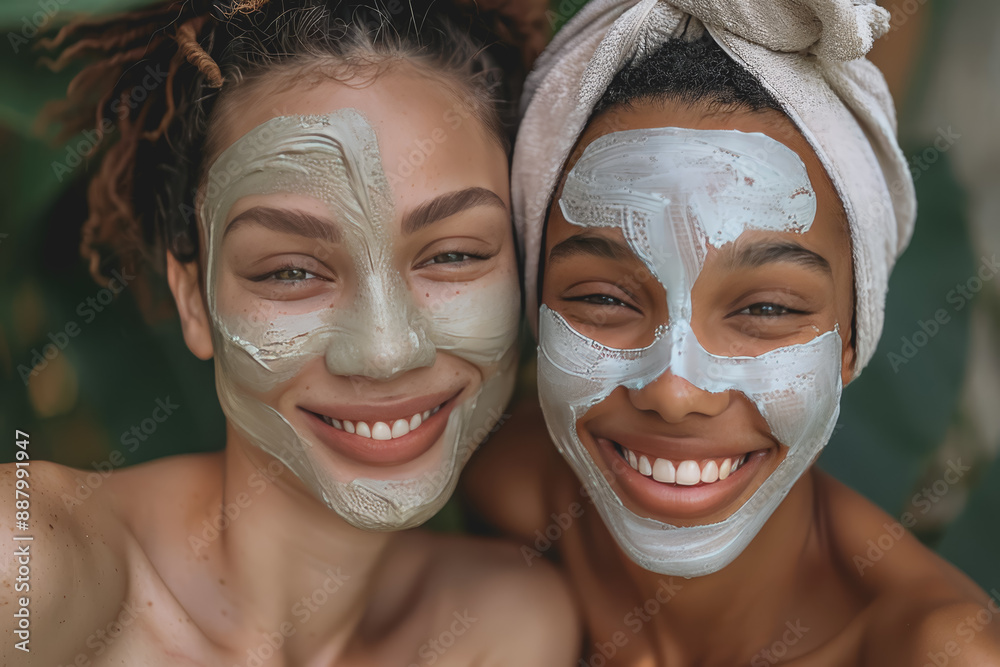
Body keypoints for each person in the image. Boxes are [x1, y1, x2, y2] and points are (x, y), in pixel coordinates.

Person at [0, 0, 579, 664]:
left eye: (453, 256)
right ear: (192, 297)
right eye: (292, 271)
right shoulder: (28, 570)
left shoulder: (507, 627)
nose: (386, 351)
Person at [465, 0, 1000, 664]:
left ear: (851, 342)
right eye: (604, 297)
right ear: (537, 315)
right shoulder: (505, 488)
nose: (675, 389)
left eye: (766, 310)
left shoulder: (933, 652)